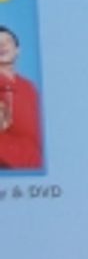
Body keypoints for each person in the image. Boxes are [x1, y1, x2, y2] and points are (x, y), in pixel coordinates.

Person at [0, 27, 43, 171]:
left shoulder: (29, 87)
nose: (2, 45)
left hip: (34, 164)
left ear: (18, 50)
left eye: (7, 41)